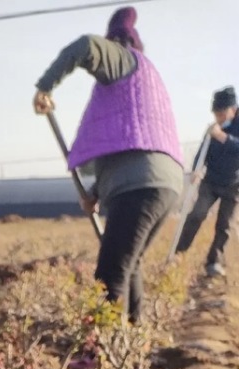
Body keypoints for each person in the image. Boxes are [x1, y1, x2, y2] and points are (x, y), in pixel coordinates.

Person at [33, 6, 183, 322]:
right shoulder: (146, 80)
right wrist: (95, 192)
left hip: (140, 184)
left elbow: (86, 46)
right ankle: (131, 342)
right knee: (130, 264)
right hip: (164, 183)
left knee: (110, 271)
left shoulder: (122, 59)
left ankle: (106, 349)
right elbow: (129, 144)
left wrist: (45, 86)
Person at [175, 87, 239, 278]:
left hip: (234, 183)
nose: (218, 117)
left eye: (221, 113)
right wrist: (197, 169)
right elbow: (202, 151)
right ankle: (178, 253)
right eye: (216, 113)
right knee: (196, 214)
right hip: (211, 181)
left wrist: (224, 137)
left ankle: (214, 262)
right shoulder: (212, 128)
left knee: (224, 225)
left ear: (232, 109)